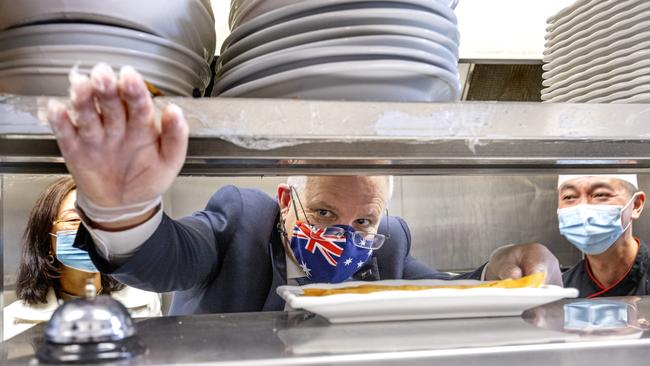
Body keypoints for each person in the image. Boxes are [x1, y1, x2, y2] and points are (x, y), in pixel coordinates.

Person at [45, 63, 562, 315]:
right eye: (322, 212)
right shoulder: (242, 220)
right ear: (287, 203)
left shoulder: (392, 243)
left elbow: (444, 294)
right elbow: (166, 258)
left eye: (363, 222)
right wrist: (125, 210)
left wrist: (502, 271)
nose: (344, 234)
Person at [3, 177, 162, 340]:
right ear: (47, 241)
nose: (89, 232)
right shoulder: (13, 320)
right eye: (73, 220)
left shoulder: (145, 301)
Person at [558, 174, 650, 298]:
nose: (583, 209)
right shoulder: (561, 291)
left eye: (600, 195)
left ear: (636, 205)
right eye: (569, 197)